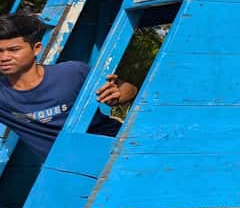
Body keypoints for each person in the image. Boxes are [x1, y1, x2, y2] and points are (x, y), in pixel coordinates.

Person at [0, 12, 138, 162]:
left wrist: (117, 94)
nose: (4, 58)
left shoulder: (72, 72)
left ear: (37, 48)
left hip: (119, 148)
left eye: (14, 50)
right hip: (68, 168)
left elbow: (130, 89)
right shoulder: (3, 97)